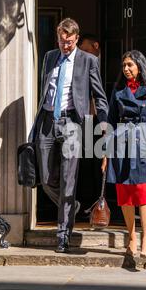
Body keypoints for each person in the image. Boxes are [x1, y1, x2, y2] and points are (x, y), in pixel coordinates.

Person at [32, 18, 109, 253]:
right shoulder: (49, 57)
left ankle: (63, 235)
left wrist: (103, 122)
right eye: (62, 41)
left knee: (68, 181)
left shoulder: (89, 60)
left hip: (72, 123)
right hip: (47, 120)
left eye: (69, 41)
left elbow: (98, 92)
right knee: (45, 179)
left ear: (76, 38)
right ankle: (71, 205)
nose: (65, 45)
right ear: (58, 37)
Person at [102, 50, 146, 259]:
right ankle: (131, 237)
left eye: (130, 65)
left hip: (145, 145)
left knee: (144, 190)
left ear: (140, 65)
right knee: (125, 194)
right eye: (124, 66)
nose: (126, 69)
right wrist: (105, 153)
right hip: (121, 145)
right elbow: (111, 122)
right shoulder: (119, 91)